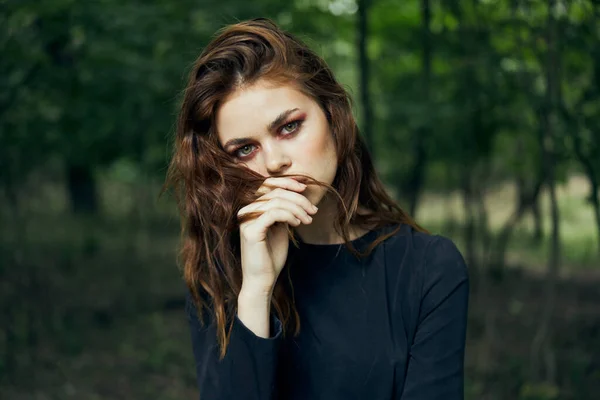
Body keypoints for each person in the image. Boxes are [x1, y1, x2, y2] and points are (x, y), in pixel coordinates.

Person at [163, 17, 469, 400]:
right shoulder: (220, 273)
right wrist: (256, 291)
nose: (274, 162)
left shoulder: (428, 267)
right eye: (245, 149)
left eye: (289, 127)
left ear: (333, 115)